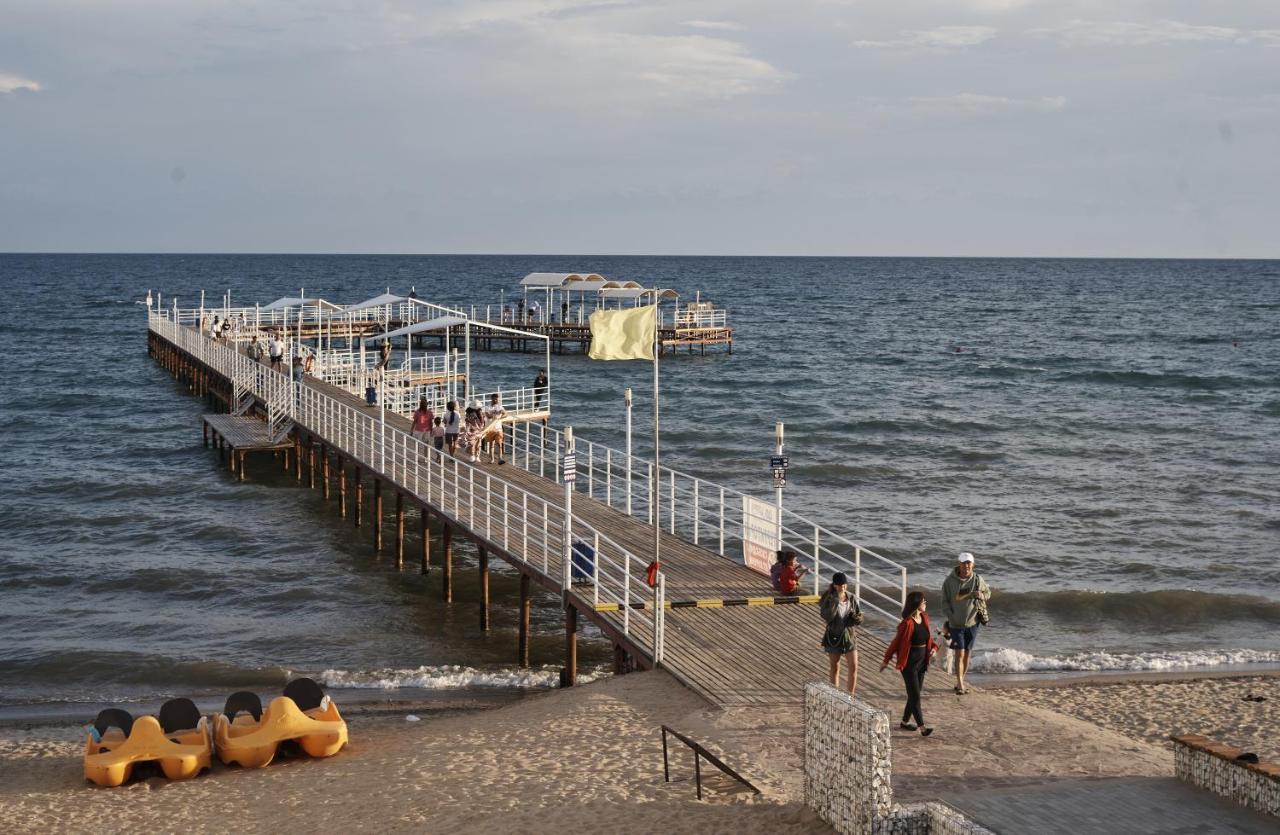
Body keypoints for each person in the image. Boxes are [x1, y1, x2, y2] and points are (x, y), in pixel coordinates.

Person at [881, 591, 938, 736]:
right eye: (923, 601)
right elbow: (896, 643)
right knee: (915, 696)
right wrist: (886, 660)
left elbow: (928, 639)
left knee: (914, 694)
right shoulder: (906, 624)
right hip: (909, 665)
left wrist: (933, 649)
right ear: (917, 603)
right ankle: (922, 728)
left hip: (922, 663)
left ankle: (904, 722)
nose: (926, 603)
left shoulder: (924, 617)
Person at [941, 552, 990, 695]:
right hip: (956, 625)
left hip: (973, 623)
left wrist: (981, 595)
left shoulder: (977, 579)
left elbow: (988, 593)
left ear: (973, 565)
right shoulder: (949, 581)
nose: (966, 566)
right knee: (959, 653)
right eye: (964, 563)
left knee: (967, 653)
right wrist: (952, 616)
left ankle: (960, 681)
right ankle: (961, 684)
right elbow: (944, 602)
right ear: (959, 564)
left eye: (969, 563)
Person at [819, 572, 862, 696]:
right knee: (835, 667)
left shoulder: (851, 597)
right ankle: (835, 695)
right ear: (834, 585)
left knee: (853, 666)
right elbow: (826, 616)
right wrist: (835, 601)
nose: (842, 587)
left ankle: (851, 697)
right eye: (839, 585)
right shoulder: (828, 598)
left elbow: (859, 616)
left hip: (849, 636)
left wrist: (857, 618)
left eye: (844, 585)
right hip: (833, 636)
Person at [483, 394, 507, 464]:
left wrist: (500, 416)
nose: (496, 400)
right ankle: (492, 459)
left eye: (497, 399)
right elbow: (488, 416)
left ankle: (500, 459)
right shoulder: (487, 407)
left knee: (499, 443)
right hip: (490, 428)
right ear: (492, 399)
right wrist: (496, 414)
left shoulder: (500, 407)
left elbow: (506, 414)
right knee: (491, 444)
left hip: (498, 428)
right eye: (494, 399)